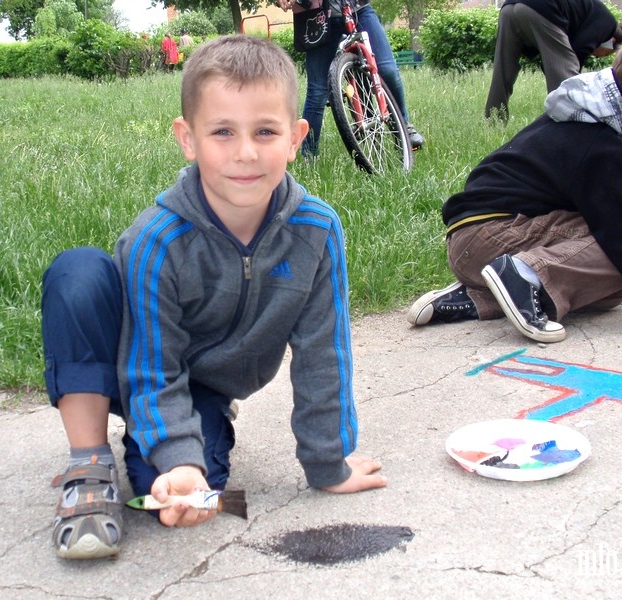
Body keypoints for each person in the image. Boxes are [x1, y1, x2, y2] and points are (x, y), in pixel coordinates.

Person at [42, 35, 387, 560]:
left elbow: (325, 354)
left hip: (197, 384)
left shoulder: (317, 230)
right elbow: (151, 363)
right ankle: (88, 461)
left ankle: (163, 443)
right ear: (188, 138)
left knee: (181, 498)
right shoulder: (156, 239)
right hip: (124, 359)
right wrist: (177, 451)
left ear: (296, 138)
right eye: (222, 131)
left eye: (265, 131)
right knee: (78, 272)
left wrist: (328, 464)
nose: (246, 153)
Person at [408, 28, 622, 343]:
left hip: (471, 241)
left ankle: (479, 296)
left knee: (611, 288)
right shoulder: (605, 142)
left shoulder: (585, 113)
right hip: (498, 236)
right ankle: (524, 275)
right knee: (618, 258)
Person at [279, 0, 424, 155]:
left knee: (387, 69)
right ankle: (309, 156)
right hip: (317, 15)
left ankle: (403, 125)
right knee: (317, 91)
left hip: (358, 8)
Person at [484, 0, 622, 121]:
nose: (594, 54)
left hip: (509, 8)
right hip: (541, 7)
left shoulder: (592, 13)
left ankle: (494, 120)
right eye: (600, 55)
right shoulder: (607, 24)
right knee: (568, 81)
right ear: (612, 41)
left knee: (503, 69)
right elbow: (576, 53)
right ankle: (568, 130)